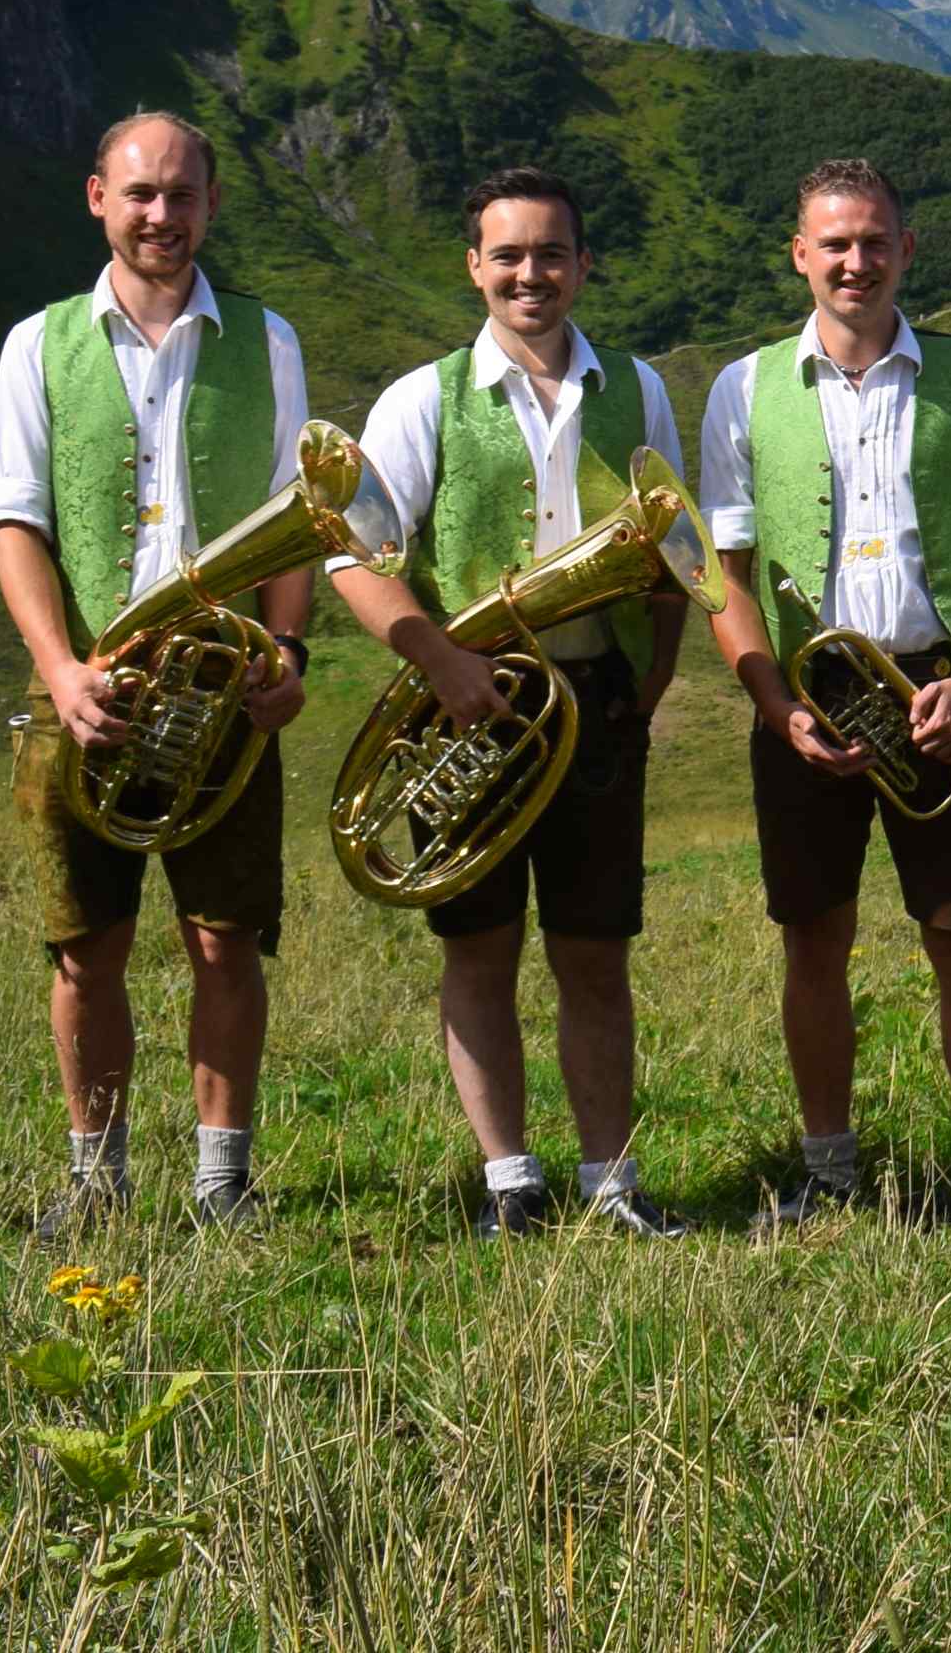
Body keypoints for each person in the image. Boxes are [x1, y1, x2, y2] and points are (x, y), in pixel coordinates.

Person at [323, 166, 694, 1238]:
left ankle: (610, 1182)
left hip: (597, 700)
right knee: (479, 946)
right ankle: (509, 1184)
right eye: (509, 256)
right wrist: (439, 661)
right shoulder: (420, 398)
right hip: (466, 705)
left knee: (594, 950)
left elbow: (674, 546)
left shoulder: (640, 388)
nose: (531, 275)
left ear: (584, 265)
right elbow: (351, 555)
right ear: (474, 267)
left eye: (551, 254)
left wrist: (653, 675)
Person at [698, 157, 951, 1225]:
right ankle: (828, 1172)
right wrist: (774, 706)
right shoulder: (742, 387)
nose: (855, 262)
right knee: (813, 940)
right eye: (834, 244)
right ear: (800, 256)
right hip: (805, 710)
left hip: (940, 696)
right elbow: (724, 573)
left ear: (907, 248)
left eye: (873, 241)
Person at [0, 110, 316, 1236]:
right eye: (139, 193)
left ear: (211, 204)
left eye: (181, 194)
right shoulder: (35, 345)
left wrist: (290, 654)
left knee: (225, 938)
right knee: (86, 946)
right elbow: (17, 525)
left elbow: (296, 521)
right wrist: (60, 669)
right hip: (86, 682)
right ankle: (97, 1183)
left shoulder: (269, 341)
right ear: (98, 200)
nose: (161, 214)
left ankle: (222, 1185)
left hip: (225, 689)